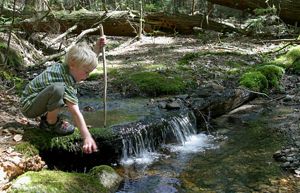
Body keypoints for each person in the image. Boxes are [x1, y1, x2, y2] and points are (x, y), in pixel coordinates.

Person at [20, 38, 106, 154]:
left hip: (33, 101)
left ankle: (49, 119)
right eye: (86, 72)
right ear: (72, 64)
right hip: (29, 107)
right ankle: (50, 124)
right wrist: (86, 137)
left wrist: (97, 49)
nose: (87, 75)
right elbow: (75, 112)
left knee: (58, 89)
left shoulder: (66, 68)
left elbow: (82, 63)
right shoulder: (64, 79)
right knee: (58, 89)